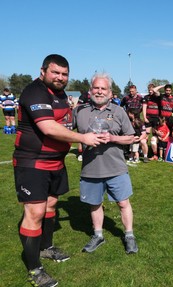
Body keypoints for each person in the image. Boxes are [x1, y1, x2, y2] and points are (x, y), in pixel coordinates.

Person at [13, 54, 105, 287]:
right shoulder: (34, 92)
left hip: (56, 161)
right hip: (32, 163)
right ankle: (34, 269)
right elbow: (48, 127)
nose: (60, 77)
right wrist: (82, 138)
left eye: (64, 74)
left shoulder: (62, 94)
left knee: (51, 206)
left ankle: (46, 247)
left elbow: (65, 122)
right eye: (55, 72)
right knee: (35, 213)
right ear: (43, 71)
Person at [73, 72, 139, 254]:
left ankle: (129, 235)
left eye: (103, 88)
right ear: (90, 90)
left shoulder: (119, 111)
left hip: (116, 167)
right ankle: (98, 235)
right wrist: (82, 138)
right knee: (94, 204)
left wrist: (112, 138)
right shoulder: (79, 111)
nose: (99, 91)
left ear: (110, 93)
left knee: (123, 203)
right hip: (90, 168)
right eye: (96, 87)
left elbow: (131, 138)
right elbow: (66, 133)